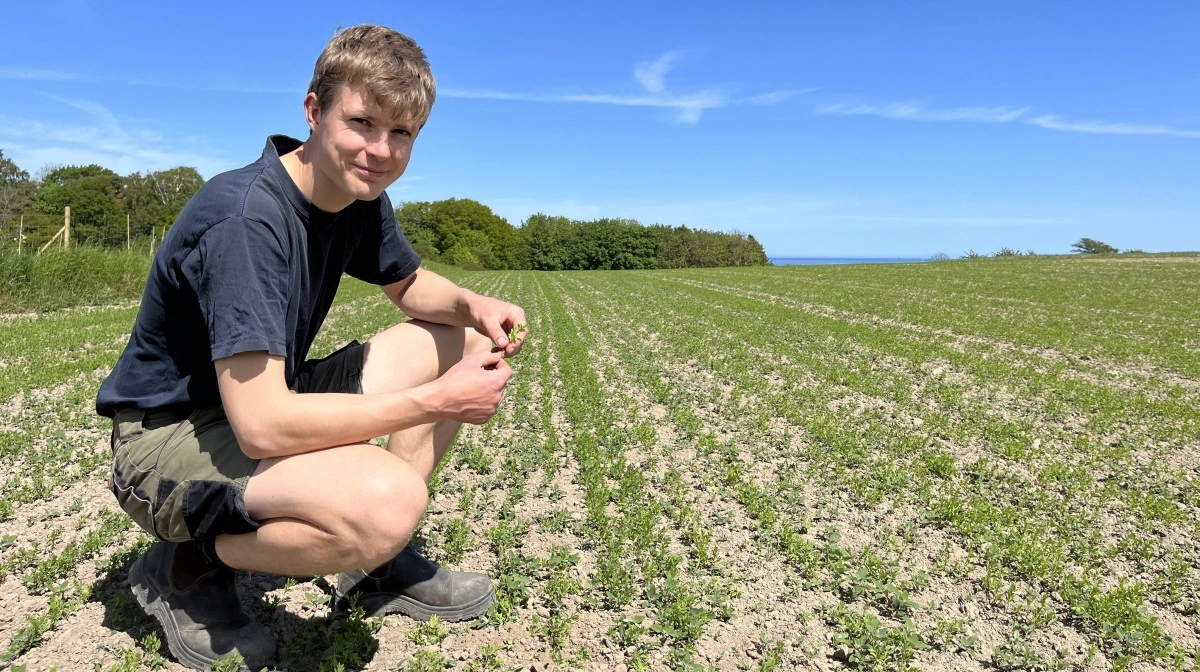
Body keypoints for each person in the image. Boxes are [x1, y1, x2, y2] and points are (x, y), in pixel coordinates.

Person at [95, 25, 525, 671]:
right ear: (313, 110)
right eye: (362, 122)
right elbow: (265, 426)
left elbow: (408, 285)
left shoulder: (356, 193)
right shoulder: (246, 219)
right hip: (167, 438)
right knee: (389, 503)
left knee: (455, 342)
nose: (381, 150)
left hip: (256, 403)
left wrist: (473, 305)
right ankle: (187, 564)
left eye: (402, 133)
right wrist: (435, 401)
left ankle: (372, 565)